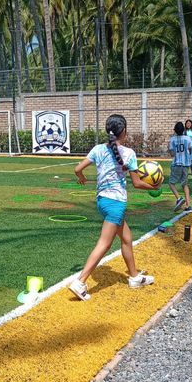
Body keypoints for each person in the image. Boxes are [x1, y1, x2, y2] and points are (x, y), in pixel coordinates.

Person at [69, 114, 157, 301]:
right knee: (104, 243)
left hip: (102, 202)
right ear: (123, 131)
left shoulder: (98, 149)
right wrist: (154, 187)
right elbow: (137, 183)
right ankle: (81, 282)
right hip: (115, 204)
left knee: (126, 238)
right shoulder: (129, 153)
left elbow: (78, 169)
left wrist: (82, 178)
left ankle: (134, 277)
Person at [168, 122, 192, 213]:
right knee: (185, 184)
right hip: (186, 164)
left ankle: (179, 198)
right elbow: (190, 149)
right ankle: (188, 205)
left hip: (176, 164)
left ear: (175, 130)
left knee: (171, 183)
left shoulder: (172, 139)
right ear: (183, 130)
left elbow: (171, 153)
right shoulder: (187, 138)